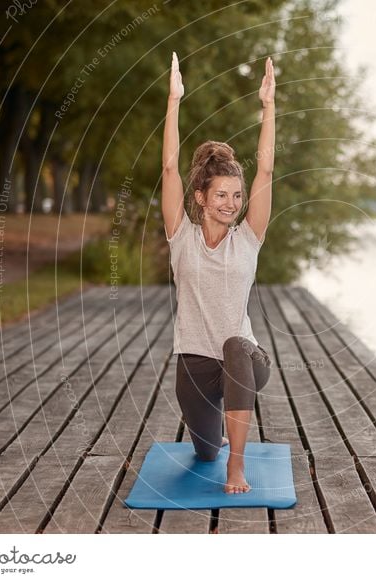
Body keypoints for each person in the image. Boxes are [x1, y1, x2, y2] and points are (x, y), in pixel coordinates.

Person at [162, 52, 277, 494]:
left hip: (244, 360)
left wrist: (268, 107)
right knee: (203, 450)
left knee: (235, 345)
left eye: (236, 195)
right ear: (201, 197)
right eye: (221, 194)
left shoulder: (248, 239)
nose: (231, 203)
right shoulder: (181, 237)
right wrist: (174, 100)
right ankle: (217, 446)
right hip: (194, 366)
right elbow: (169, 168)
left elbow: (266, 167)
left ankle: (237, 466)